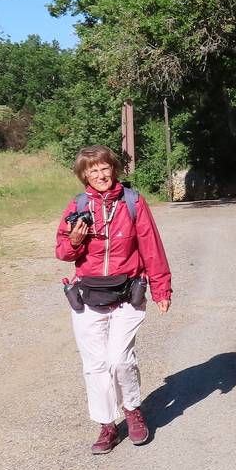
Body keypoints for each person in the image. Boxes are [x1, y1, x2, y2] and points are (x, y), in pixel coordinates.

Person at [56, 145, 172, 454]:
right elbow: (63, 252)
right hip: (87, 296)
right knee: (95, 365)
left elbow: (152, 248)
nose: (100, 174)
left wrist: (161, 289)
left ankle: (133, 411)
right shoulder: (77, 205)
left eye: (104, 168)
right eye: (92, 171)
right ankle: (107, 425)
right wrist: (76, 239)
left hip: (126, 295)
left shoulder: (132, 203)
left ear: (114, 169)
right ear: (84, 176)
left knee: (120, 359)